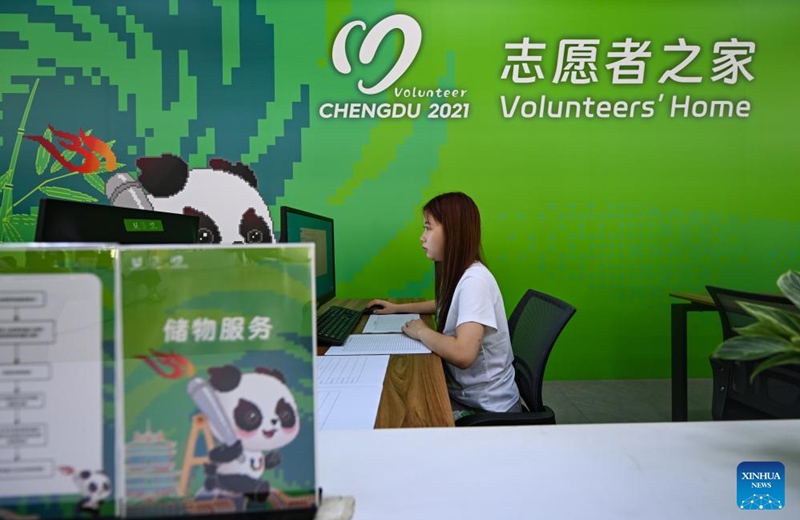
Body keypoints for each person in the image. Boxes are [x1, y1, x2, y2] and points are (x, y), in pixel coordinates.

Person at [368, 192, 521, 420]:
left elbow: (463, 354)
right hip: (466, 392)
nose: (422, 237)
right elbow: (444, 304)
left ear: (453, 232)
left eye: (428, 228)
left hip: (488, 409)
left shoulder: (475, 282)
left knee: (404, 411)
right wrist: (397, 308)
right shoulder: (465, 274)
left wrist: (421, 331)